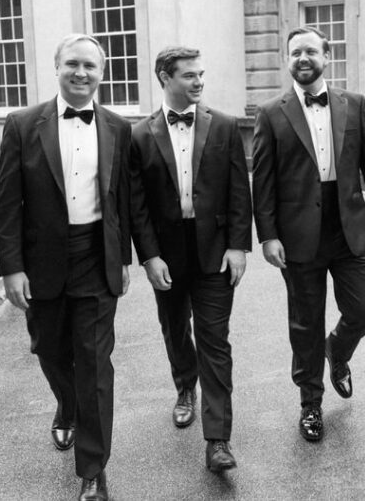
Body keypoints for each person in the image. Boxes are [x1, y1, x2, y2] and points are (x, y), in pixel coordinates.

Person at [0, 34, 134, 500]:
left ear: (102, 73)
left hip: (97, 256)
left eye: (90, 66)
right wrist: (11, 267)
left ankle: (93, 469)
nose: (81, 73)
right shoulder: (21, 124)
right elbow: (8, 202)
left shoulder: (119, 127)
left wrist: (126, 258)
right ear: (56, 67)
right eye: (72, 64)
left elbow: (124, 201)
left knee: (94, 362)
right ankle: (66, 405)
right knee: (49, 350)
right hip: (42, 262)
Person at [252, 25, 365, 442]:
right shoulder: (271, 111)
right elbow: (263, 181)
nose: (303, 59)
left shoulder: (354, 103)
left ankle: (339, 350)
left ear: (327, 56)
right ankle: (310, 404)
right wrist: (268, 235)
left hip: (349, 225)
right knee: (305, 324)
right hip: (298, 236)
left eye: (311, 51)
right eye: (295, 53)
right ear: (288, 59)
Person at [130, 47, 251, 472]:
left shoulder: (224, 126)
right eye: (188, 76)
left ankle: (218, 439)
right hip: (167, 253)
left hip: (214, 250)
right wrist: (148, 256)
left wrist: (238, 246)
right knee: (175, 329)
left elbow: (239, 190)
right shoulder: (140, 134)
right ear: (164, 77)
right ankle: (185, 388)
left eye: (201, 74)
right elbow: (137, 204)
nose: (199, 82)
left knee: (215, 341)